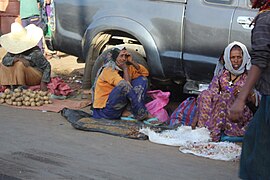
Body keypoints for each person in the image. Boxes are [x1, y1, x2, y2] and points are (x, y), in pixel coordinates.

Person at [229, 0, 270, 179]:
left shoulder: (265, 19)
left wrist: (240, 99)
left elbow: (260, 59)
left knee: (258, 153)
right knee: (253, 140)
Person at [192, 41, 258, 142]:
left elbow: (256, 100)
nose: (236, 60)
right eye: (232, 58)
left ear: (244, 58)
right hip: (218, 111)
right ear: (228, 58)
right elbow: (212, 92)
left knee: (226, 97)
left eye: (239, 57)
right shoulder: (222, 75)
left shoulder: (248, 77)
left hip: (238, 113)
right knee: (205, 94)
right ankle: (204, 131)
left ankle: (216, 134)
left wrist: (245, 93)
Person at [92, 47, 154, 121]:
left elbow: (145, 73)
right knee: (123, 85)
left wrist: (132, 61)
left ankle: (129, 111)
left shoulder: (128, 68)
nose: (124, 59)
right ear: (115, 58)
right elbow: (125, 86)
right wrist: (125, 69)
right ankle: (140, 112)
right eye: (121, 56)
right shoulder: (108, 70)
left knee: (142, 80)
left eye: (125, 56)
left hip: (120, 107)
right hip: (106, 110)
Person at [0, 22, 51, 91]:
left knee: (19, 65)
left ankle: (21, 86)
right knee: (3, 65)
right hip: (22, 75)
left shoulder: (35, 53)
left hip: (35, 76)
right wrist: (17, 58)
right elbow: (4, 60)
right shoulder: (13, 51)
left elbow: (47, 66)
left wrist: (43, 82)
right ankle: (10, 85)